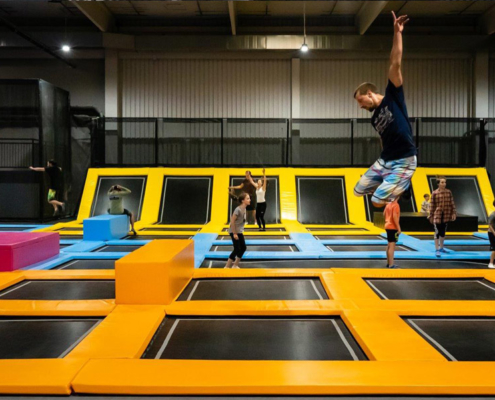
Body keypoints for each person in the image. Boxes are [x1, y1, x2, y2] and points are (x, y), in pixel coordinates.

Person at [353, 12, 417, 208]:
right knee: (358, 191)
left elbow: (395, 62)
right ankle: (391, 183)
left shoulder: (393, 95)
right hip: (385, 160)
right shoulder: (374, 119)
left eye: (361, 101)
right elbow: (383, 139)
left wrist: (397, 33)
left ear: (370, 92)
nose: (361, 106)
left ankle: (403, 185)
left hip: (404, 159)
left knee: (377, 202)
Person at [428, 176, 456, 257]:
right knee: (437, 231)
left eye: (445, 182)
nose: (444, 184)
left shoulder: (448, 192)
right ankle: (437, 249)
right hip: (437, 215)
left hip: (446, 214)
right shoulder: (435, 193)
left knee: (443, 232)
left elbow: (452, 203)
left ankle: (441, 248)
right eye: (442, 182)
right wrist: (431, 215)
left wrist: (453, 213)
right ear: (438, 184)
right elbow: (432, 205)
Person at [225, 192, 250, 269]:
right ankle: (227, 266)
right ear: (243, 200)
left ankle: (235, 265)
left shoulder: (244, 208)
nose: (250, 200)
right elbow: (232, 222)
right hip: (234, 231)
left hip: (239, 231)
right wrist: (234, 233)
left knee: (243, 248)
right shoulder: (238, 209)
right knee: (237, 249)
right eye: (248, 198)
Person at [384, 197, 401, 269]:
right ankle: (391, 265)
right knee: (392, 246)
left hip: (387, 226)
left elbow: (384, 214)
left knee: (389, 244)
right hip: (393, 227)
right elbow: (395, 216)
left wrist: (387, 220)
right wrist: (398, 228)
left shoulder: (388, 205)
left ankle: (388, 263)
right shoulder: (396, 205)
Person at [488, 201, 495, 269]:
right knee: (494, 248)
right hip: (491, 233)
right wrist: (494, 233)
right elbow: (490, 225)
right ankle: (491, 263)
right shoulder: (492, 215)